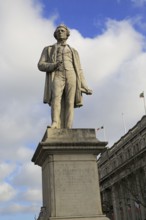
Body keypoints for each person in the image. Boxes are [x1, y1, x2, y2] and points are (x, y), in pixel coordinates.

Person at [38, 24, 92, 128]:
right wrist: (53, 65)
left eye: (62, 30)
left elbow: (80, 70)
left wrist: (85, 86)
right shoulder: (48, 49)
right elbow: (40, 65)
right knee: (56, 98)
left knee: (70, 101)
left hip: (71, 75)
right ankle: (55, 123)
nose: (60, 32)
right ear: (55, 34)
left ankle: (68, 126)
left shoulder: (74, 51)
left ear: (67, 34)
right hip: (57, 74)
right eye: (58, 31)